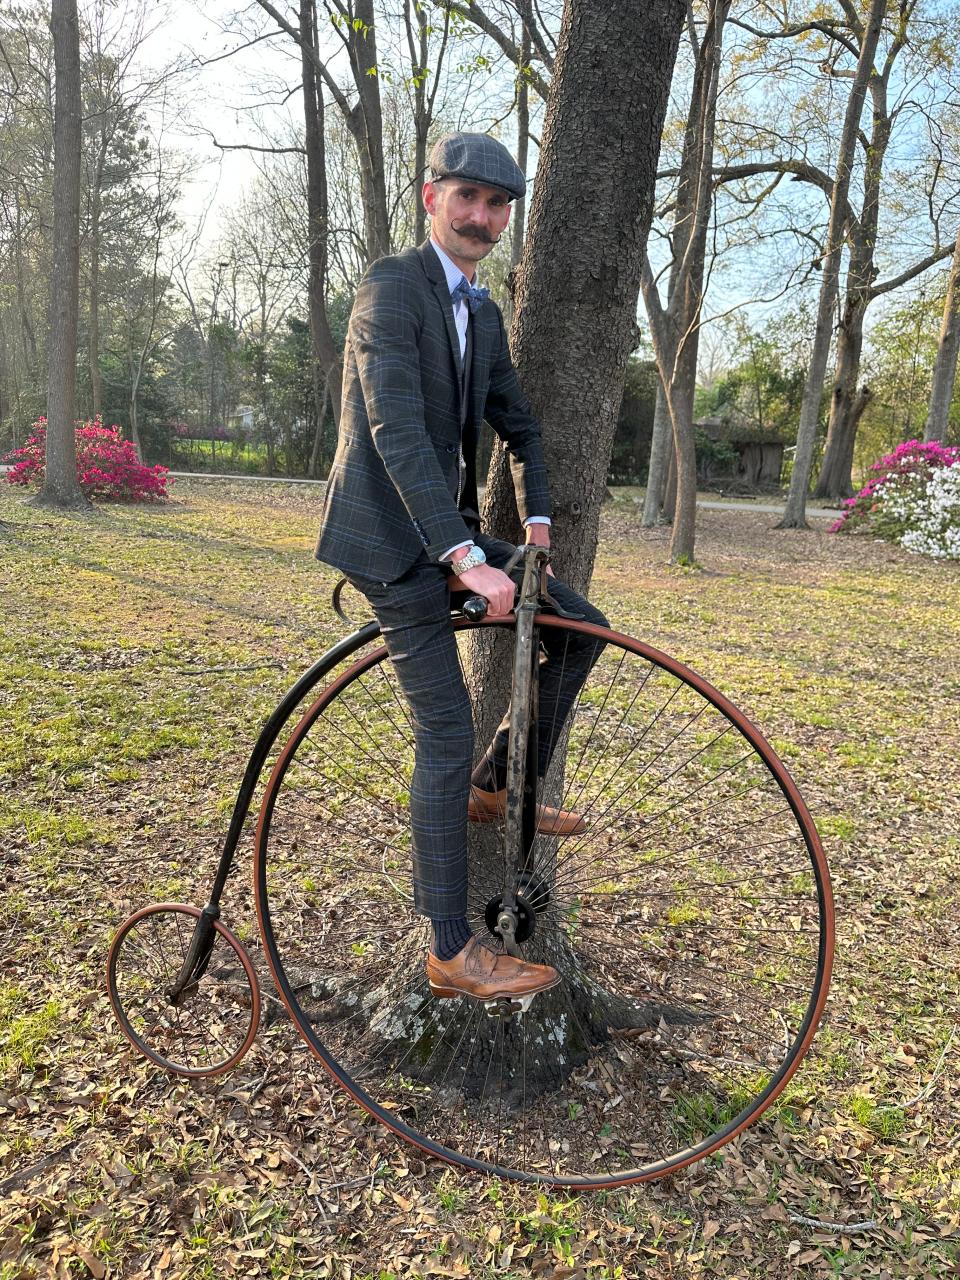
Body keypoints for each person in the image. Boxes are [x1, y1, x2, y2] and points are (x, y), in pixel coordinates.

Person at [316, 132, 607, 1004]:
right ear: (429, 196)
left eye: (497, 204)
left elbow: (519, 421)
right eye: (466, 197)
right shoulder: (391, 289)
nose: (481, 216)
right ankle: (449, 949)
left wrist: (541, 519)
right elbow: (394, 430)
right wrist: (462, 558)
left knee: (583, 629)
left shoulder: (479, 312)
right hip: (388, 540)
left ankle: (497, 783)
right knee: (442, 727)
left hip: (454, 536)